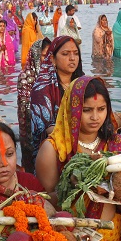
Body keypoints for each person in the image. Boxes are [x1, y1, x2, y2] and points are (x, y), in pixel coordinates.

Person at [36, 76, 121, 241]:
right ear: (71, 109)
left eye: (101, 109)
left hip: (109, 238)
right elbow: (49, 203)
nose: (95, 117)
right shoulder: (54, 149)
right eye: (87, 110)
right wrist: (74, 185)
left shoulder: (119, 147)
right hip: (72, 239)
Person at [30, 36, 84, 164]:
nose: (72, 58)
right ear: (53, 59)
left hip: (83, 139)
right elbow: (46, 127)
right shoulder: (42, 88)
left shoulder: (83, 84)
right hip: (52, 148)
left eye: (76, 54)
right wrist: (79, 140)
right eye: (65, 54)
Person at [17, 38, 50, 173]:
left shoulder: (52, 76)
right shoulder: (26, 77)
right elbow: (26, 107)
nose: (47, 59)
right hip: (30, 129)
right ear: (36, 55)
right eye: (43, 56)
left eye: (50, 56)